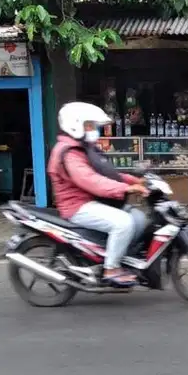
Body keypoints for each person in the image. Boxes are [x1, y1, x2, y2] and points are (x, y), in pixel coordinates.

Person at [50, 102, 149, 287]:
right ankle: (111, 269)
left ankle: (118, 255)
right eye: (90, 125)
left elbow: (106, 173)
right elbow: (90, 180)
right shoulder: (69, 153)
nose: (94, 130)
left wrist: (133, 181)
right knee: (123, 222)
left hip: (92, 200)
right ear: (75, 124)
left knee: (139, 218)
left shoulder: (84, 147)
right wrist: (125, 189)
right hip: (78, 206)